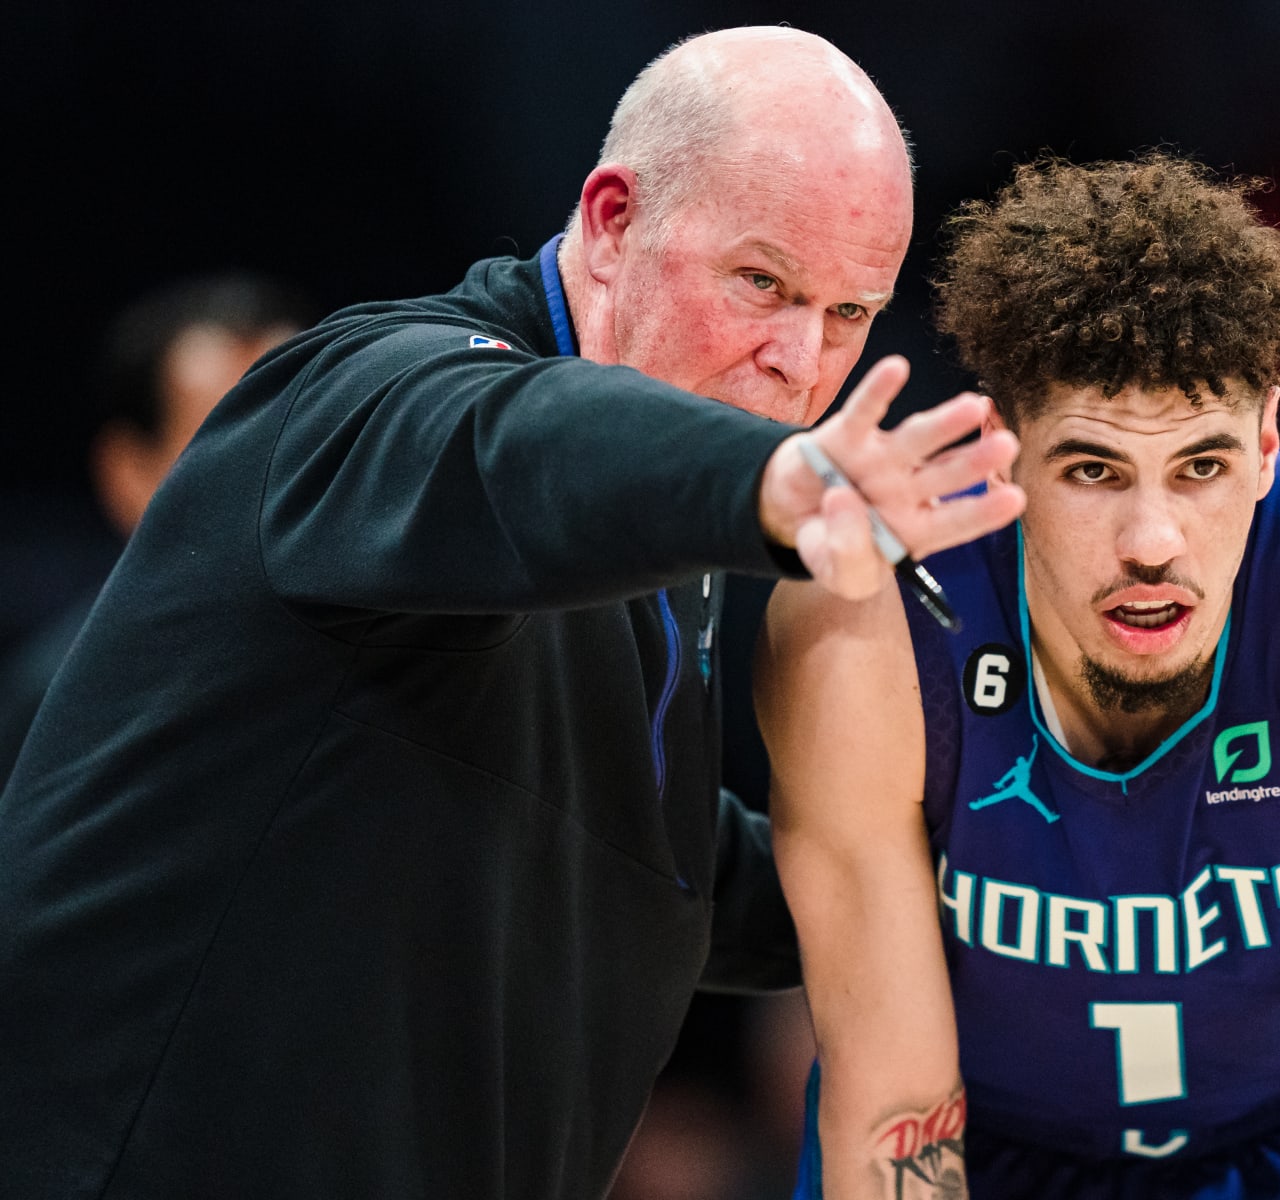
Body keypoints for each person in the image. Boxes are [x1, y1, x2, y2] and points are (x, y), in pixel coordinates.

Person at [0, 27, 1024, 1200]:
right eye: (763, 283)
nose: (799, 362)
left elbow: (667, 872)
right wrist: (765, 482)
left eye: (849, 314)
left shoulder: (654, 569)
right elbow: (525, 448)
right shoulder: (376, 390)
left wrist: (1008, 862)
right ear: (610, 218)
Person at [757, 155, 1280, 1199]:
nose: (1153, 543)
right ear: (1005, 452)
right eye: (1093, 470)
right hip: (973, 1152)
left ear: (1268, 442)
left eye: (1202, 465)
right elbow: (894, 1106)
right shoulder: (866, 617)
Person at [0, 274, 310, 784]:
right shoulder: (54, 711)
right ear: (126, 474)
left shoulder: (419, 656)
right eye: (226, 447)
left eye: (302, 437)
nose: (275, 479)